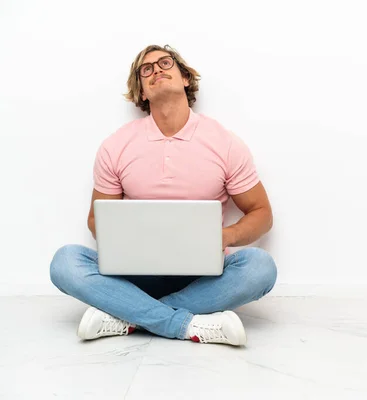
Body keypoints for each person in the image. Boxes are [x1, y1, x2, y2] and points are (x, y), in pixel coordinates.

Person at [49, 44, 277, 346]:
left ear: (185, 78)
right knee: (65, 262)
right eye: (147, 69)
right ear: (141, 92)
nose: (156, 70)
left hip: (203, 275)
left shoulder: (225, 143)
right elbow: (96, 219)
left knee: (261, 268)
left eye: (165, 63)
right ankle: (184, 324)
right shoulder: (116, 146)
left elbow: (262, 213)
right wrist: (121, 234)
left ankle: (126, 316)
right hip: (132, 275)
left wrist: (227, 236)